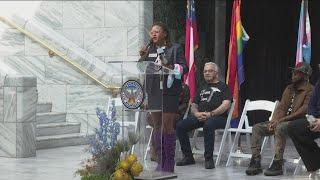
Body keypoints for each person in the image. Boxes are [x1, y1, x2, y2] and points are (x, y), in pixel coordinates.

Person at [245, 62, 313, 176]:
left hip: (297, 123)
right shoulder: (289, 88)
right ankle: (255, 161)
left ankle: (277, 163)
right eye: (293, 71)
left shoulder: (310, 90)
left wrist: (280, 121)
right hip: (281, 121)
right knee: (257, 128)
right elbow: (281, 107)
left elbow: (303, 111)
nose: (293, 74)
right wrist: (274, 120)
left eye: (297, 72)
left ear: (305, 76)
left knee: (280, 127)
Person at [139, 22, 188, 172]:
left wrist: (170, 65)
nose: (153, 34)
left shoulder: (175, 48)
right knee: (157, 126)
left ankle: (169, 163)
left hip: (169, 92)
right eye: (151, 32)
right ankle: (160, 161)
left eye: (156, 31)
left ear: (165, 33)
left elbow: (184, 67)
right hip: (154, 92)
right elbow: (142, 68)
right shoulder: (150, 50)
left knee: (167, 126)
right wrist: (142, 57)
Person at [176, 62, 232, 169]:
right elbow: (194, 105)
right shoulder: (202, 87)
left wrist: (211, 114)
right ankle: (188, 157)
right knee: (180, 126)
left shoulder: (223, 87)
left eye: (210, 71)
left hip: (219, 118)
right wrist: (196, 113)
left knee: (208, 124)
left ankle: (208, 158)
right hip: (201, 116)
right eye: (205, 71)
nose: (207, 73)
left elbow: (226, 105)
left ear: (216, 73)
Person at [288, 79, 320, 178]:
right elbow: (311, 105)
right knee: (294, 127)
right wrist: (312, 119)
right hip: (316, 119)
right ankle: (315, 165)